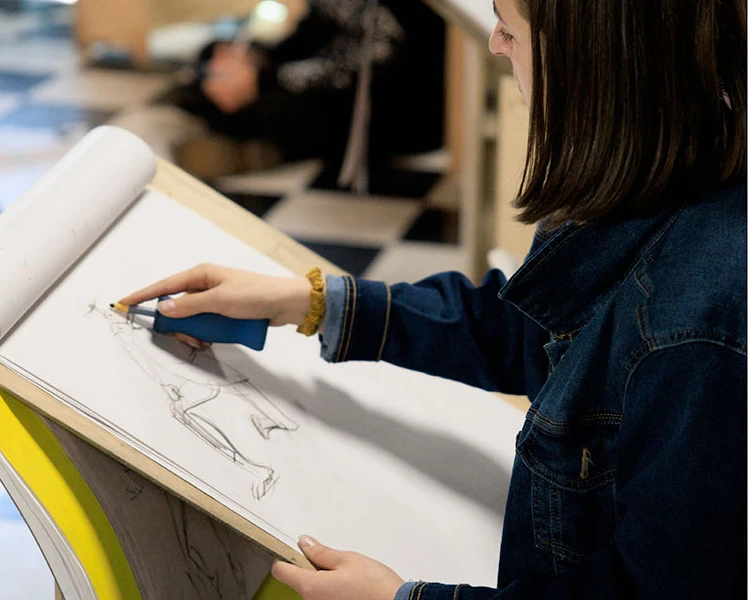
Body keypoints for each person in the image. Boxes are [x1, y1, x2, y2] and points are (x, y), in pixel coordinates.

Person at [119, 0, 747, 597]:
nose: (496, 47)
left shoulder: (696, 331)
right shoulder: (666, 177)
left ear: (589, 60)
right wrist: (307, 303)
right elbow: (526, 332)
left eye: (511, 29)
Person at [172, 0, 446, 188]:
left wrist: (267, 78)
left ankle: (261, 144)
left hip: (404, 98)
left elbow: (375, 59)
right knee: (212, 56)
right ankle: (236, 120)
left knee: (283, 107)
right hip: (338, 72)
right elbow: (318, 31)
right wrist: (260, 57)